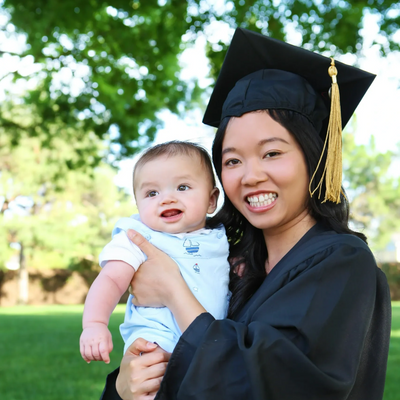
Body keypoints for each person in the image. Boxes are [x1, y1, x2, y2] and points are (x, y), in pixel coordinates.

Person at [100, 28, 391, 400]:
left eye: (272, 153)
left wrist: (174, 290)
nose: (251, 176)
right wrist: (125, 387)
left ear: (314, 159)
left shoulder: (343, 262)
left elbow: (277, 386)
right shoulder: (228, 261)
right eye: (233, 160)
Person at [80, 141, 230, 363]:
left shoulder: (218, 236)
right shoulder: (138, 237)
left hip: (211, 342)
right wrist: (95, 324)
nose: (166, 198)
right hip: (156, 342)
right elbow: (110, 279)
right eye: (152, 193)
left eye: (182, 187)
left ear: (211, 200)